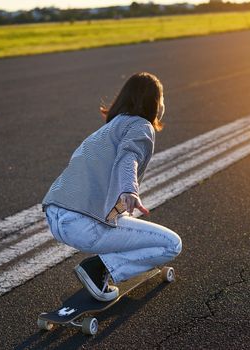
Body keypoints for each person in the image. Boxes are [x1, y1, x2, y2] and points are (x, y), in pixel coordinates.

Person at [41, 72, 182, 302]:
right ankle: (100, 269)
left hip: (56, 216)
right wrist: (129, 190)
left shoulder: (108, 129)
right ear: (155, 103)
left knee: (124, 224)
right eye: (162, 98)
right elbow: (128, 158)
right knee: (171, 244)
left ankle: (104, 266)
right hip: (83, 224)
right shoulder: (142, 126)